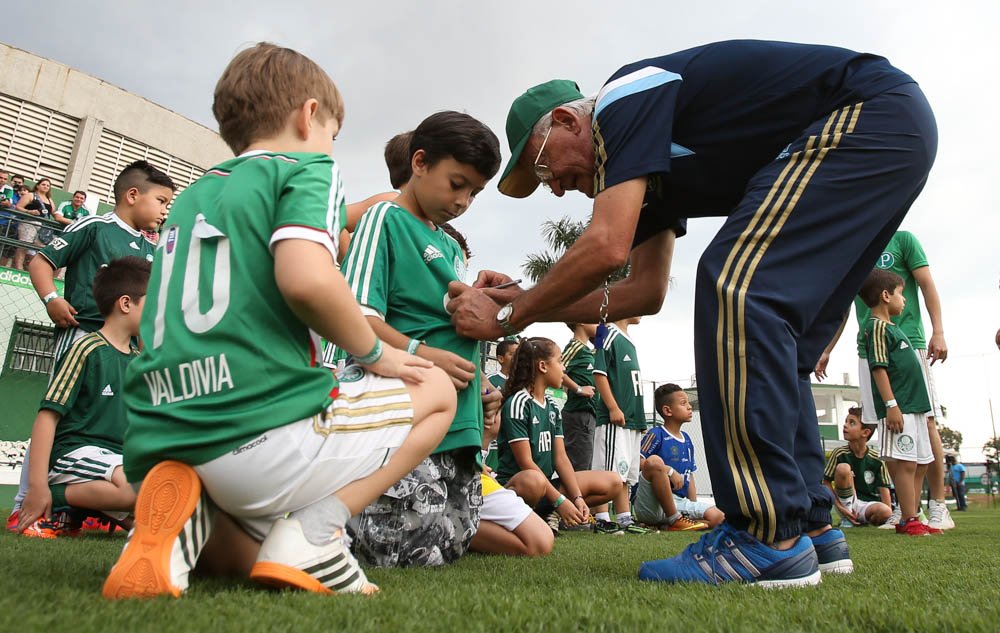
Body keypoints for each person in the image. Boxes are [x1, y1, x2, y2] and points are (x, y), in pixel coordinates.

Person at [448, 41, 936, 586]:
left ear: (567, 120)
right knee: (782, 342)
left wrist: (508, 315)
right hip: (889, 132)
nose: (558, 188)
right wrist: (519, 300)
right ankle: (812, 527)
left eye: (546, 168)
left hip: (867, 114)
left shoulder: (621, 99)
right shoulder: (650, 173)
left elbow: (605, 245)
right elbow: (642, 292)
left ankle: (764, 533)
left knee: (733, 284)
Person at [102, 42, 455, 600]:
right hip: (257, 437)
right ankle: (318, 533)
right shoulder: (310, 168)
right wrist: (375, 353)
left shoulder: (195, 194)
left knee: (254, 557)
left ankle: (184, 520)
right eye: (333, 134)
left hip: (161, 437)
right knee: (436, 389)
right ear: (309, 115)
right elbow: (306, 279)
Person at [338, 110, 500, 568]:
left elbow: (444, 314)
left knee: (446, 545)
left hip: (459, 422)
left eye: (475, 192)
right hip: (407, 414)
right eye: (457, 184)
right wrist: (420, 353)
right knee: (391, 548)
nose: (464, 200)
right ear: (420, 162)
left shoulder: (449, 246)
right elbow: (357, 316)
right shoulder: (384, 219)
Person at [817, 231, 953, 531]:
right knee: (883, 423)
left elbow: (928, 286)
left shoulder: (903, 240)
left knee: (925, 422)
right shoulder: (853, 246)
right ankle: (907, 511)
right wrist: (827, 349)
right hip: (871, 349)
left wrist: (938, 330)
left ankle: (938, 505)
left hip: (910, 343)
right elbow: (841, 309)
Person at [17, 257, 150, 537]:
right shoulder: (87, 348)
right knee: (132, 489)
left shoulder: (138, 361)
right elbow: (47, 416)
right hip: (76, 453)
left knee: (159, 499)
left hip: (115, 459)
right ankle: (55, 496)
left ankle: (91, 510)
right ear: (126, 304)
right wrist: (37, 485)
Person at [29, 162, 172, 362]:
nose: (165, 211)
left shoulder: (150, 248)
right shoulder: (94, 227)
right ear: (132, 195)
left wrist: (145, 355)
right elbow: (40, 263)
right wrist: (51, 299)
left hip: (126, 348)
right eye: (161, 201)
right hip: (83, 333)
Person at [495, 337, 628, 535]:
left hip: (546, 487)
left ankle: (548, 516)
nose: (564, 368)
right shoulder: (518, 403)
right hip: (521, 487)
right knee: (533, 480)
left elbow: (561, 458)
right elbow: (526, 463)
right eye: (559, 361)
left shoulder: (551, 406)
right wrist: (560, 501)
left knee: (614, 482)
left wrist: (576, 498)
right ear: (542, 366)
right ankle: (522, 519)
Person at [859, 269, 940, 536]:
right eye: (900, 293)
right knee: (905, 462)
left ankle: (912, 515)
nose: (903, 300)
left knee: (920, 461)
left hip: (916, 407)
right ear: (885, 296)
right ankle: (908, 518)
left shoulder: (893, 328)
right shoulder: (876, 327)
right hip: (900, 408)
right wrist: (891, 405)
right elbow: (879, 368)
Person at [590, 316, 649, 533]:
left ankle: (625, 518)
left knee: (624, 473)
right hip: (615, 419)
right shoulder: (606, 332)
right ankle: (602, 518)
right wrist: (613, 406)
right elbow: (599, 372)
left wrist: (640, 418)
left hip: (632, 419)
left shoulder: (628, 339)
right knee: (609, 473)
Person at [633, 384, 720, 531]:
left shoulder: (687, 440)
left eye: (688, 403)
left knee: (719, 517)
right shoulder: (655, 434)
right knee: (654, 461)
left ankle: (670, 525)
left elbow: (689, 475)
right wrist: (669, 471)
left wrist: (693, 504)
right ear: (667, 410)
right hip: (651, 503)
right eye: (683, 403)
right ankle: (674, 519)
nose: (689, 407)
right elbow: (638, 462)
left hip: (678, 502)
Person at [822, 407, 893, 533]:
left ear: (865, 432)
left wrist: (888, 515)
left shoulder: (877, 459)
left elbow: (884, 489)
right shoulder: (839, 453)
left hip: (868, 505)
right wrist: (838, 506)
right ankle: (848, 517)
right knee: (844, 468)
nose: (845, 425)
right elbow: (826, 482)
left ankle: (862, 520)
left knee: (885, 511)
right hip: (845, 503)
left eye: (852, 423)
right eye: (846, 421)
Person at [560, 322, 598, 473]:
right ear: (581, 322)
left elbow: (602, 350)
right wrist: (579, 389)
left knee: (587, 466)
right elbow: (556, 370)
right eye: (595, 320)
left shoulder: (588, 351)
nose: (599, 324)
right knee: (579, 468)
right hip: (578, 416)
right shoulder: (575, 347)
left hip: (589, 417)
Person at [13, 177, 56, 270]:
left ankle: (32, 269)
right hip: (29, 222)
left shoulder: (49, 199)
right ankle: (18, 268)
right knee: (24, 245)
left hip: (43, 226)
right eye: (43, 184)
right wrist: (29, 211)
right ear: (38, 185)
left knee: (41, 249)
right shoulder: (30, 195)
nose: (46, 187)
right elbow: (18, 207)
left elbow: (54, 213)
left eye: (48, 185)